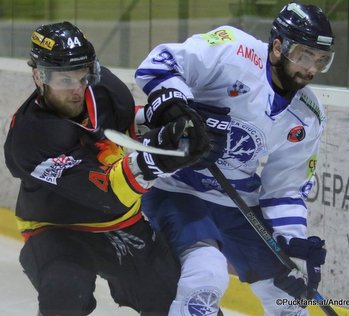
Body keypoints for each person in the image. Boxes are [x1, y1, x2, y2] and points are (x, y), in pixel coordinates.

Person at [134, 2, 334, 315]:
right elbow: (158, 64)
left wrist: (293, 244)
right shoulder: (232, 50)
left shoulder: (307, 115)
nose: (311, 69)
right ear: (278, 47)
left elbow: (284, 189)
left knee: (290, 300)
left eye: (321, 60)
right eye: (304, 56)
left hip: (235, 200)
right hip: (175, 188)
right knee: (206, 277)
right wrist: (182, 116)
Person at [4, 21, 210, 316]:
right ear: (39, 77)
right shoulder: (29, 137)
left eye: (82, 75)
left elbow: (122, 128)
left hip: (121, 223)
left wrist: (170, 124)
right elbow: (105, 193)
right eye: (64, 81)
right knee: (66, 292)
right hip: (56, 230)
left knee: (184, 303)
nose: (76, 89)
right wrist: (157, 158)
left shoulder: (105, 90)